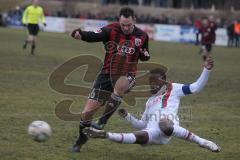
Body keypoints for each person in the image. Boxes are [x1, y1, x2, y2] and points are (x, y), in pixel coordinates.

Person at [83, 56, 221, 153]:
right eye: (150, 82)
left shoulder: (174, 88)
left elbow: (196, 87)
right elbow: (142, 124)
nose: (152, 84)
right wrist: (128, 117)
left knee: (164, 124)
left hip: (168, 127)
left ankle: (202, 142)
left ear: (164, 81)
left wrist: (206, 70)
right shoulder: (149, 102)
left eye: (155, 82)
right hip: (153, 133)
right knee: (137, 136)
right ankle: (105, 135)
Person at [71, 7, 150, 152]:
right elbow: (93, 36)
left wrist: (145, 55)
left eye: (129, 25)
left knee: (120, 85)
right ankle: (81, 139)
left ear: (135, 21)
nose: (126, 28)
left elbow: (145, 55)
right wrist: (80, 34)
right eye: (123, 24)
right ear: (119, 21)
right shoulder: (111, 30)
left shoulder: (142, 36)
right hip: (106, 74)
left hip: (128, 74)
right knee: (87, 113)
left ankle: (102, 122)